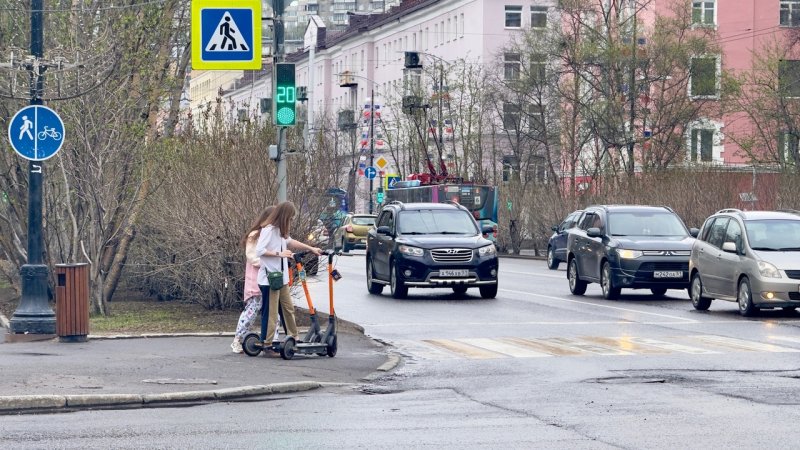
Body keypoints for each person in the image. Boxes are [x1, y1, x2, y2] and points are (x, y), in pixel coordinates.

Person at [255, 201, 322, 349]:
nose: (291, 221)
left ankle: (294, 336)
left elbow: (291, 242)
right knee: (272, 313)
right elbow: (259, 251)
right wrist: (280, 254)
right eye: (290, 218)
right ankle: (267, 343)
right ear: (284, 216)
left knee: (288, 308)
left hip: (281, 278)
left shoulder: (280, 231)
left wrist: (311, 248)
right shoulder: (269, 230)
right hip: (270, 279)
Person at [231, 206, 277, 354]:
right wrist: (271, 260)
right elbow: (252, 257)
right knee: (251, 311)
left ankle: (271, 341)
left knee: (272, 312)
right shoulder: (254, 235)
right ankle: (238, 339)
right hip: (256, 280)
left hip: (270, 280)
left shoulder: (274, 235)